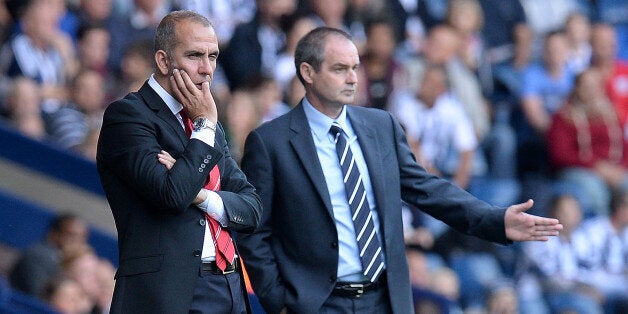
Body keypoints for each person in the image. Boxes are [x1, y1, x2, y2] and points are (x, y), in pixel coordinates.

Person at [237, 27, 563, 314]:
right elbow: (254, 231)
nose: (353, 78)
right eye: (340, 69)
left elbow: (428, 190)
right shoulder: (270, 142)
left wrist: (495, 219)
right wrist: (278, 301)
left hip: (385, 300)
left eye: (355, 68)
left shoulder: (382, 126)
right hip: (315, 304)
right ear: (307, 72)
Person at [96, 10, 262, 313]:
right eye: (195, 55)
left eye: (213, 56)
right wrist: (204, 128)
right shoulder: (129, 116)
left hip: (229, 287)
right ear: (163, 61)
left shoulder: (208, 122)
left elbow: (251, 209)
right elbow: (171, 195)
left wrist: (201, 196)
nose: (207, 69)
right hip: (167, 295)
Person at [9, 213, 88, 297]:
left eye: (82, 238)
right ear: (53, 234)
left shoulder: (75, 260)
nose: (78, 243)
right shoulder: (39, 256)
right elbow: (44, 297)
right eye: (72, 236)